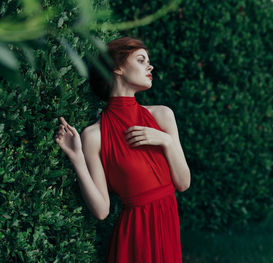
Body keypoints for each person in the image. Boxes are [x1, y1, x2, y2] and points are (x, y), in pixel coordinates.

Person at [54, 36, 191, 262]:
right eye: (141, 59)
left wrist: (165, 140)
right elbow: (101, 211)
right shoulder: (94, 135)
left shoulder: (163, 116)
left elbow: (183, 183)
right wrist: (77, 158)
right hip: (134, 239)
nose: (150, 66)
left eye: (148, 61)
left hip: (167, 228)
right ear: (117, 67)